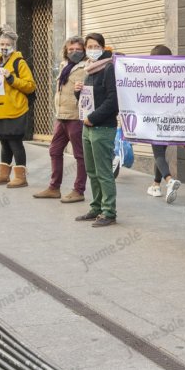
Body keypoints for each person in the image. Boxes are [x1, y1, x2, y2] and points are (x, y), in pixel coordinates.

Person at [34, 36, 88, 203]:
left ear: (84, 50)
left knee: (80, 155)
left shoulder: (87, 67)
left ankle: (78, 190)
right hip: (61, 116)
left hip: (76, 117)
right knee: (55, 151)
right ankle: (54, 187)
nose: (74, 52)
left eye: (78, 49)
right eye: (71, 49)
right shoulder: (65, 66)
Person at [0, 26, 36, 188]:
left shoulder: (19, 62)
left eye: (7, 44)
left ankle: (21, 177)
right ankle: (3, 174)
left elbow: (30, 86)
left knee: (15, 142)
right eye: (1, 44)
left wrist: (10, 77)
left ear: (13, 45)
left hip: (15, 110)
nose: (4, 47)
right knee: (4, 142)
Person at [74, 32, 118, 227]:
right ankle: (96, 207)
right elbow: (88, 100)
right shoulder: (89, 70)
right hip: (88, 127)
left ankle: (109, 211)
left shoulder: (108, 68)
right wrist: (78, 93)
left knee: (103, 172)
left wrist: (93, 117)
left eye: (95, 46)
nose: (92, 50)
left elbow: (113, 101)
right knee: (91, 170)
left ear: (102, 47)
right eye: (89, 47)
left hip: (102, 127)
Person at [146, 44, 181, 203]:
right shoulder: (175, 75)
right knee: (161, 152)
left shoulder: (149, 76)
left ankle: (169, 180)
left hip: (154, 119)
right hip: (170, 119)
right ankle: (155, 185)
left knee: (158, 154)